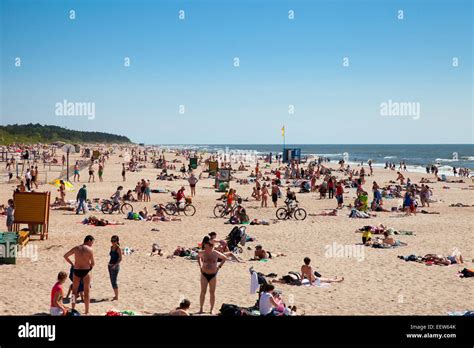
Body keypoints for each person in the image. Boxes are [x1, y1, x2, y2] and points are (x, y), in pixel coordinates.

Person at [64, 235, 95, 315]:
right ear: (88, 240)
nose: (92, 244)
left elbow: (65, 256)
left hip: (76, 270)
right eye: (92, 242)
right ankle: (87, 311)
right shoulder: (90, 250)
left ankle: (73, 308)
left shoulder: (76, 248)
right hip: (85, 271)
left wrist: (72, 264)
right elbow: (93, 263)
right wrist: (90, 265)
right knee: (87, 292)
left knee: (74, 292)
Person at [197, 241, 228, 314]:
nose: (206, 248)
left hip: (213, 275)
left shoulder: (216, 253)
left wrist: (219, 267)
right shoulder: (202, 252)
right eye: (205, 246)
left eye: (208, 246)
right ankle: (201, 309)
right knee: (203, 291)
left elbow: (225, 258)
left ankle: (211, 309)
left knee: (212, 292)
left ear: (211, 246)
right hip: (204, 274)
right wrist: (200, 265)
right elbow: (197, 256)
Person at [108, 235, 122, 301]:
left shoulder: (118, 248)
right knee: (111, 280)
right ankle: (115, 295)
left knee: (114, 281)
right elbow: (111, 256)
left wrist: (115, 265)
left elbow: (120, 259)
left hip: (115, 266)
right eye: (112, 241)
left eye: (114, 241)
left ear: (117, 241)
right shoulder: (111, 247)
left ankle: (116, 296)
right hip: (110, 265)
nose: (113, 242)